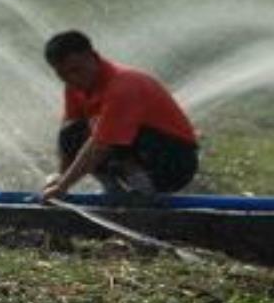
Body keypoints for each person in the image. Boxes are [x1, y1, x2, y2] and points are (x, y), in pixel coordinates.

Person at [40, 30, 198, 203]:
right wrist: (60, 176)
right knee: (72, 132)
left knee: (109, 137)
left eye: (77, 70)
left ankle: (144, 192)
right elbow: (70, 136)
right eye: (63, 75)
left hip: (174, 164)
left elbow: (101, 145)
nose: (73, 78)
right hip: (137, 156)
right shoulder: (74, 86)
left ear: (92, 56)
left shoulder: (123, 85)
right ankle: (115, 191)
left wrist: (63, 186)